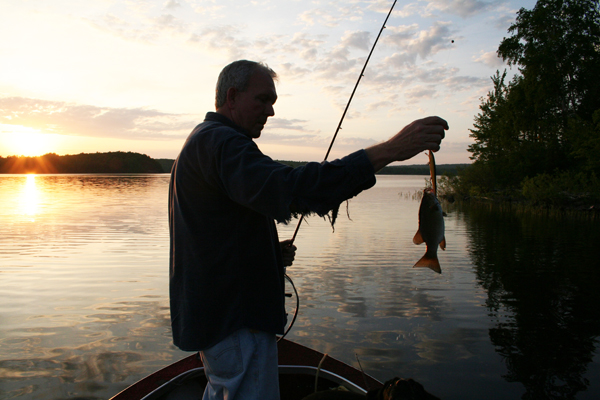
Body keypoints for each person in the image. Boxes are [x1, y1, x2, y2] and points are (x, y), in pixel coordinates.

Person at [168, 60, 448, 400]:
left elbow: (216, 232)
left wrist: (271, 253)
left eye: (273, 102)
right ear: (232, 96)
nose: (270, 111)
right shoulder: (222, 144)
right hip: (235, 319)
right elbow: (290, 188)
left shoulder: (205, 141)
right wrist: (388, 151)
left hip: (219, 316)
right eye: (263, 100)